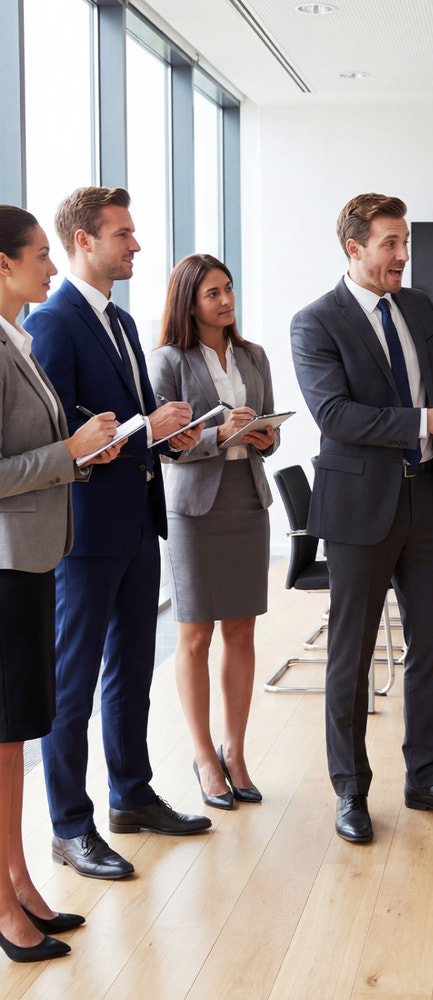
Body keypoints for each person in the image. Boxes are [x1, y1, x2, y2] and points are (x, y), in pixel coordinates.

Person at [290, 192, 433, 843]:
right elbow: (335, 416)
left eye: (405, 242)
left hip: (426, 499)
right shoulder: (315, 322)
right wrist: (424, 421)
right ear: (354, 248)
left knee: (432, 644)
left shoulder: (419, 306)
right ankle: (350, 789)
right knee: (351, 656)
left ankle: (425, 777)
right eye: (390, 245)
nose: (403, 256)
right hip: (357, 510)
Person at [25, 187, 211, 882]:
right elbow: (55, 441)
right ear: (84, 242)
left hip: (137, 526)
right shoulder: (55, 323)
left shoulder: (125, 324)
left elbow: (124, 429)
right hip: (84, 536)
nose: (135, 245)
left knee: (133, 674)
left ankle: (130, 796)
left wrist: (163, 432)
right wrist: (137, 438)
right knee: (71, 686)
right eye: (122, 234)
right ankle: (69, 828)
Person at [0, 206, 123, 960]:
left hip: (33, 556)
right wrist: (67, 453)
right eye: (41, 256)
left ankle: (17, 880)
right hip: (6, 564)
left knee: (15, 737)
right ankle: (5, 906)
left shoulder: (16, 340)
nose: (52, 270)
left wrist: (81, 455)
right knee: (5, 740)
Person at [148, 254, 279, 809]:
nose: (226, 301)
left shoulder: (253, 355)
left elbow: (270, 428)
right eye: (212, 294)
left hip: (247, 503)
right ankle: (204, 756)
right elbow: (159, 448)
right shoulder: (167, 362)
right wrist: (218, 436)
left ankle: (236, 751)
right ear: (188, 302)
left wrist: (264, 437)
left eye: (229, 289)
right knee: (196, 636)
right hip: (195, 513)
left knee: (242, 633)